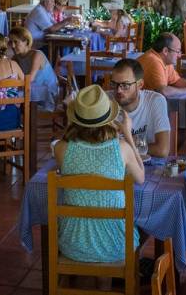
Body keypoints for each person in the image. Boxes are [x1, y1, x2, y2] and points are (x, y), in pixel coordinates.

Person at [53, 84, 145, 263]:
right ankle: (105, 284)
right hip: (115, 243)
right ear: (109, 118)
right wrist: (128, 135)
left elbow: (71, 142)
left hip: (73, 241)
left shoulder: (61, 149)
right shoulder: (122, 149)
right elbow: (140, 178)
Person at [109, 58, 172, 157]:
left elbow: (162, 150)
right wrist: (136, 143)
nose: (118, 91)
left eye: (125, 85)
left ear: (140, 84)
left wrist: (124, 144)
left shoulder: (155, 101)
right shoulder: (105, 102)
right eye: (114, 84)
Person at [9, 26, 59, 112]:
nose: (12, 46)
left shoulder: (37, 55)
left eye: (16, 42)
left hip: (47, 94)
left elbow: (30, 78)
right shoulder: (16, 58)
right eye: (10, 42)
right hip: (31, 89)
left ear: (26, 42)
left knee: (10, 96)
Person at [138, 33, 186, 97]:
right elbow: (163, 91)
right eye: (178, 51)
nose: (179, 56)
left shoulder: (165, 60)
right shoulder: (154, 61)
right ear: (165, 51)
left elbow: (176, 81)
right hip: (137, 105)